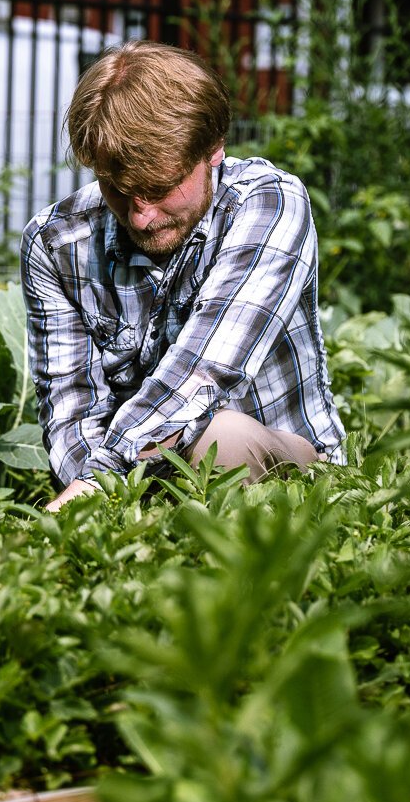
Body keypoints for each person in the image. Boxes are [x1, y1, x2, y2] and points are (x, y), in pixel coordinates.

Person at [20, 41, 345, 512]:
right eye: (119, 189)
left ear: (213, 151)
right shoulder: (54, 244)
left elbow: (205, 371)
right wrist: (103, 492)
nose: (140, 217)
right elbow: (71, 409)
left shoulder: (269, 204)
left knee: (222, 437)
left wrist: (98, 485)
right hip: (142, 475)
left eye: (159, 188)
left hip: (289, 468)